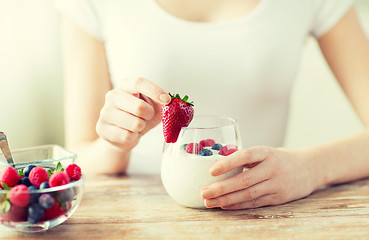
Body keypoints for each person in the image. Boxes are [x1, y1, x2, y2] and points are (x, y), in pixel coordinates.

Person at [55, 0, 369, 210]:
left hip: (260, 213)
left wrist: (311, 168)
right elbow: (80, 156)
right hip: (139, 216)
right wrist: (119, 139)